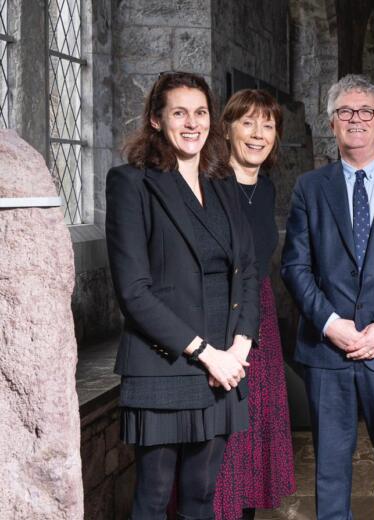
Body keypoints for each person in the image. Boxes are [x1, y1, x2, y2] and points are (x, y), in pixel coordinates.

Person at [106, 71, 256, 520]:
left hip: (222, 367)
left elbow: (247, 272)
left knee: (201, 499)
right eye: (179, 113)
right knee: (153, 501)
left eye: (201, 112)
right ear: (156, 120)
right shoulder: (131, 183)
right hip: (165, 365)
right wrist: (207, 354)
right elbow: (133, 291)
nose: (192, 123)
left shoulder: (223, 184)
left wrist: (239, 346)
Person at [281, 74, 374, 520]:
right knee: (330, 471)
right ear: (332, 124)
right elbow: (295, 267)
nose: (355, 120)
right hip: (327, 351)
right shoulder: (310, 188)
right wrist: (330, 323)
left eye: (366, 112)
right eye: (345, 112)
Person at [212, 89, 296, 520]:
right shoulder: (207, 186)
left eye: (268, 124)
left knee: (250, 444)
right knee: (219, 448)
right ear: (226, 129)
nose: (258, 134)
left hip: (259, 321)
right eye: (247, 123)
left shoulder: (266, 189)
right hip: (218, 323)